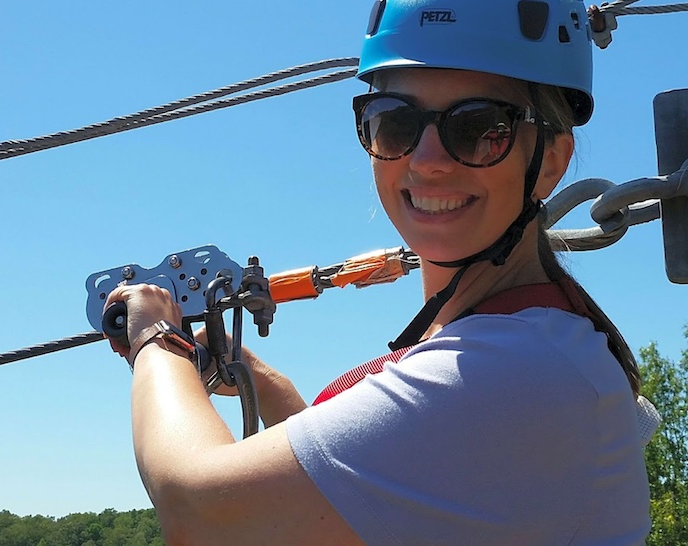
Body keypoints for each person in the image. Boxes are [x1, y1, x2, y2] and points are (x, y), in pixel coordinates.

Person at [104, 0, 654, 543]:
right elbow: (353, 493)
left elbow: (201, 510)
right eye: (395, 124)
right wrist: (265, 385)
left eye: (481, 127)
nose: (427, 159)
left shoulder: (518, 369)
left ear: (552, 161)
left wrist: (156, 337)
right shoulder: (527, 349)